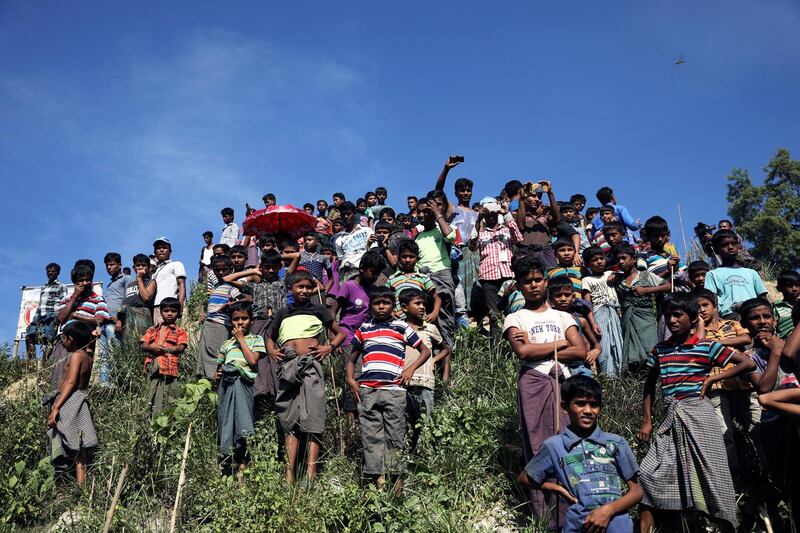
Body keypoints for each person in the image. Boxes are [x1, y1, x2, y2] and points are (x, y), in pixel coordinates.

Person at [637, 292, 755, 533]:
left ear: (692, 318)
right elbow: (649, 385)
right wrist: (647, 421)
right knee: (648, 473)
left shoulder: (706, 346)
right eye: (667, 315)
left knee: (713, 474)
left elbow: (747, 363)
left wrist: (713, 380)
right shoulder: (661, 349)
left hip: (700, 415)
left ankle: (727, 525)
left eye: (677, 315)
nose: (671, 320)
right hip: (671, 416)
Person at [503, 255, 586, 527]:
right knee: (538, 446)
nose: (534, 286)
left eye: (538, 280)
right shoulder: (516, 317)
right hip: (534, 381)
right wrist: (562, 343)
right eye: (527, 282)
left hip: (564, 382)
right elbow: (523, 351)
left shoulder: (563, 316)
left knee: (569, 444)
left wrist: (549, 345)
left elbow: (581, 350)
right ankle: (547, 520)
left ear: (546, 281)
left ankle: (574, 516)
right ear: (519, 286)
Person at [518, 376, 642, 533]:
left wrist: (607, 511)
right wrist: (554, 487)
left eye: (594, 405)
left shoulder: (615, 443)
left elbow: (637, 491)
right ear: (565, 407)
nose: (588, 411)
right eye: (580, 403)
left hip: (617, 526)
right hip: (578, 526)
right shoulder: (554, 446)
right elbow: (524, 479)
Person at [345, 286, 431, 489]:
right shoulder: (364, 329)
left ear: (393, 306)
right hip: (368, 391)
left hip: (395, 390)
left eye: (386, 302)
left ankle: (397, 483)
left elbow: (425, 351)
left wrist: (409, 370)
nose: (381, 306)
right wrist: (351, 380)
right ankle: (378, 483)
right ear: (371, 306)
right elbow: (352, 359)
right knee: (371, 435)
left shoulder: (401, 327)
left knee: (395, 434)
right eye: (377, 303)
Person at [266, 271, 346, 482]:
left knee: (314, 416)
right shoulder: (283, 312)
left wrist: (329, 347)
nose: (304, 291)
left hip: (311, 364)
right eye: (299, 287)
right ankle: (289, 474)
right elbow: (269, 338)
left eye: (308, 287)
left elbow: (341, 333)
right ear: (290, 290)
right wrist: (272, 351)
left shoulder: (319, 309)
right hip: (288, 366)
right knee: (289, 418)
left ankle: (311, 473)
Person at [694, 289, 755, 481]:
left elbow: (746, 338)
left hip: (742, 384)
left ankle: (759, 471)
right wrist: (704, 331)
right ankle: (732, 476)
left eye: (705, 305)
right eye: (697, 307)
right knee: (723, 433)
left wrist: (717, 342)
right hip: (717, 386)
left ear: (715, 305)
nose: (701, 310)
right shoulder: (695, 329)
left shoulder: (731, 323)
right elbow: (698, 345)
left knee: (754, 426)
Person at [223, 249, 287, 420]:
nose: (271, 270)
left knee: (277, 359)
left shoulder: (283, 283)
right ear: (262, 267)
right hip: (258, 324)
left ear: (279, 267)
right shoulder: (254, 286)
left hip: (277, 325)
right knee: (260, 361)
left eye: (274, 267)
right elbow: (227, 279)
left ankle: (277, 397)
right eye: (267, 267)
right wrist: (252, 271)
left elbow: (296, 257)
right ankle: (260, 397)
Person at [331, 251, 385, 422]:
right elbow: (333, 312)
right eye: (373, 272)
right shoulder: (348, 286)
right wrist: (335, 338)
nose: (375, 276)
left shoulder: (374, 291)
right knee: (353, 377)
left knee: (367, 377)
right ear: (362, 269)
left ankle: (366, 417)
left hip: (369, 339)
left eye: (378, 273)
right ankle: (350, 421)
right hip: (349, 338)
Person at [216, 301, 265, 477]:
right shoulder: (226, 344)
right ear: (231, 321)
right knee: (227, 422)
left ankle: (243, 468)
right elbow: (219, 367)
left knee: (243, 423)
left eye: (244, 318)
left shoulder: (256, 340)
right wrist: (219, 375)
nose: (240, 322)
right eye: (236, 319)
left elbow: (252, 361)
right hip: (227, 385)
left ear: (251, 320)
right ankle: (229, 467)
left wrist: (241, 339)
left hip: (244, 384)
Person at [46, 320, 98, 487]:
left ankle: (60, 484)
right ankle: (80, 487)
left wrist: (56, 407)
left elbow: (71, 382)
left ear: (71, 339)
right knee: (80, 445)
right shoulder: (88, 356)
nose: (62, 341)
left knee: (61, 440)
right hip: (81, 400)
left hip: (69, 401)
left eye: (64, 338)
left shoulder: (76, 356)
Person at [400, 289, 450, 448]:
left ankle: (423, 461)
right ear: (404, 308)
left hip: (425, 382)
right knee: (405, 424)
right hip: (402, 383)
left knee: (425, 425)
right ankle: (407, 460)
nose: (422, 307)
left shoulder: (430, 328)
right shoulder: (398, 329)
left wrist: (434, 360)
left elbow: (446, 349)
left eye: (423, 304)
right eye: (417, 303)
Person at [50, 264, 110, 392]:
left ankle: (75, 405)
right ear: (75, 283)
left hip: (85, 342)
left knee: (79, 379)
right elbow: (61, 318)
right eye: (81, 281)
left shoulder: (97, 299)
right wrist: (75, 297)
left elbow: (100, 319)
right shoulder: (67, 299)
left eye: (88, 280)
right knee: (59, 374)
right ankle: (55, 403)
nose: (85, 283)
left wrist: (76, 315)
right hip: (65, 341)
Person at [469, 196, 522, 340]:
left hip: (508, 274)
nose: (491, 216)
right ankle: (497, 352)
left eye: (494, 213)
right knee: (494, 314)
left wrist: (506, 213)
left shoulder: (506, 228)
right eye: (488, 213)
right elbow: (472, 245)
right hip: (488, 277)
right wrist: (479, 220)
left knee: (512, 311)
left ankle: (514, 346)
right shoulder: (481, 232)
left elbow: (518, 238)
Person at [612, 244, 669, 371]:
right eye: (618, 260)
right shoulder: (618, 280)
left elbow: (668, 286)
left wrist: (647, 290)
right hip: (628, 319)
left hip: (646, 318)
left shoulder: (645, 275)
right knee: (631, 348)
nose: (621, 262)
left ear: (633, 259)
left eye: (624, 258)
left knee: (650, 346)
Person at [415, 193, 458, 352]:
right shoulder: (418, 237)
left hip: (441, 274)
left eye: (425, 211)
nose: (421, 215)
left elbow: (450, 235)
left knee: (445, 317)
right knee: (426, 319)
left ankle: (447, 357)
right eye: (418, 212)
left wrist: (438, 214)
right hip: (424, 278)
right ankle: (431, 360)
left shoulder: (441, 230)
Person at [196, 255, 243, 380]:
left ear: (231, 270)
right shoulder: (216, 287)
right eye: (217, 270)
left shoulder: (232, 288)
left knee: (216, 354)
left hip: (220, 324)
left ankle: (215, 381)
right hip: (209, 323)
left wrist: (229, 304)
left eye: (225, 270)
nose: (221, 273)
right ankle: (205, 381)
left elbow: (244, 300)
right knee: (205, 353)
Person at [704, 229, 768, 320]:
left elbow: (763, 298)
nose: (730, 247)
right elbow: (712, 301)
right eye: (724, 245)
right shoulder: (712, 274)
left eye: (733, 243)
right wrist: (717, 322)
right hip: (730, 317)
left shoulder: (752, 273)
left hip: (755, 314)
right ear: (716, 250)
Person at [139, 297, 187, 417]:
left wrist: (170, 349)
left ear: (178, 313)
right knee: (150, 393)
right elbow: (143, 345)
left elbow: (181, 347)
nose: (169, 313)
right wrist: (152, 347)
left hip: (169, 368)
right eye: (166, 310)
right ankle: (147, 420)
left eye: (173, 311)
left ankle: (164, 419)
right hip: (152, 367)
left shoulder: (179, 331)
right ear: (160, 312)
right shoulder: (153, 329)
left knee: (168, 394)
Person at [581, 246, 623, 376]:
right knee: (604, 344)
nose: (599, 262)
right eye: (595, 260)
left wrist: (615, 274)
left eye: (601, 258)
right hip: (599, 313)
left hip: (615, 312)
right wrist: (593, 323)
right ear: (588, 264)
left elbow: (626, 272)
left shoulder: (610, 274)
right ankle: (608, 375)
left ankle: (620, 373)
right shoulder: (587, 280)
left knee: (618, 342)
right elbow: (588, 304)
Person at [548, 275, 600, 377]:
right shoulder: (548, 319)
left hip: (580, 366)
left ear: (573, 297)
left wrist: (596, 351)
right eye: (558, 295)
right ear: (550, 298)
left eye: (567, 295)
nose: (563, 298)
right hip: (558, 366)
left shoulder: (581, 321)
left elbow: (597, 345)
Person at [385, 239, 441, 324]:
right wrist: (391, 312)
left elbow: (437, 299)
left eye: (411, 257)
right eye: (404, 257)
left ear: (417, 258)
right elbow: (385, 298)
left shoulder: (423, 278)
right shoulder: (392, 279)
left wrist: (434, 313)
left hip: (419, 322)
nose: (407, 260)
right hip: (398, 322)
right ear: (399, 258)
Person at [24, 262, 67, 361]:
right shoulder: (44, 288)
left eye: (53, 271)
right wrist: (33, 321)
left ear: (58, 273)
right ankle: (32, 364)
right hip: (39, 318)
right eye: (49, 271)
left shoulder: (61, 286)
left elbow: (63, 303)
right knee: (29, 338)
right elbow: (40, 306)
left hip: (52, 317)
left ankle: (44, 366)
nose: (51, 273)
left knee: (48, 341)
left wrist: (58, 319)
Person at [516, 180, 561, 269]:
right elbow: (520, 226)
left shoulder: (545, 215)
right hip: (526, 251)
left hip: (545, 251)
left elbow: (557, 219)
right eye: (533, 196)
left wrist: (550, 193)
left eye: (539, 197)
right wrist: (521, 199)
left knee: (551, 275)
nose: (537, 199)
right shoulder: (518, 214)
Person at [100, 252, 128, 383]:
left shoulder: (126, 279)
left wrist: (120, 319)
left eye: (112, 264)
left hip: (115, 322)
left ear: (120, 265)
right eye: (107, 265)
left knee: (114, 353)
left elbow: (128, 299)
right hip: (105, 322)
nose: (109, 267)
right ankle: (104, 384)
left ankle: (117, 382)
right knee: (103, 356)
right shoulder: (110, 284)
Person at [332, 201, 374, 282]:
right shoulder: (338, 239)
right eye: (343, 214)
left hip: (363, 271)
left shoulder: (367, 231)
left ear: (354, 213)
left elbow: (373, 252)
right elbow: (341, 259)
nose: (346, 216)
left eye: (348, 214)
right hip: (345, 274)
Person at [120, 254, 157, 341]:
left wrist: (139, 279)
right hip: (127, 318)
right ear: (134, 268)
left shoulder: (151, 282)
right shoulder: (130, 285)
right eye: (138, 265)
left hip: (142, 316)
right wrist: (119, 319)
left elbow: (146, 297)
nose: (140, 267)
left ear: (148, 267)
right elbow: (125, 302)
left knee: (140, 343)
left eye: (144, 265)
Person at [152, 237, 187, 324]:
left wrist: (180, 307)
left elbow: (182, 285)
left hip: (170, 307)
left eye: (164, 248)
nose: (161, 250)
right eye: (158, 248)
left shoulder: (176, 264)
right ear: (155, 252)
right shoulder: (155, 271)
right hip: (156, 307)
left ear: (170, 251)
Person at [774, 269, 799, 339]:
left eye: (797, 285)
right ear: (779, 288)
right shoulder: (776, 308)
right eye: (790, 286)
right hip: (785, 344)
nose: (795, 289)